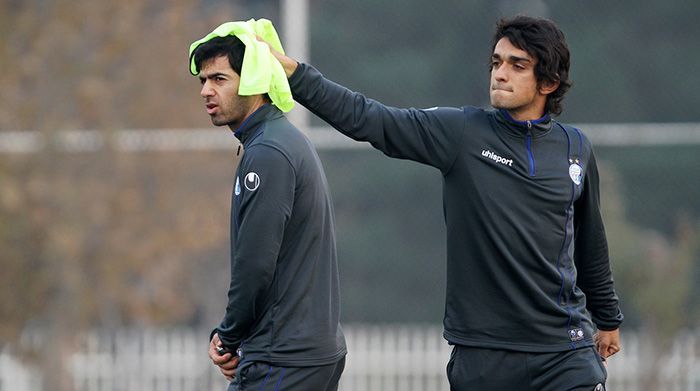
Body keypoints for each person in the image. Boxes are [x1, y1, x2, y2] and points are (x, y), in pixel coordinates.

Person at [269, 15, 623, 390]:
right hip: (484, 356)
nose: (500, 73)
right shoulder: (462, 133)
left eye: (517, 65)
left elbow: (590, 245)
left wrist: (608, 317)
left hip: (565, 354)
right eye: (497, 62)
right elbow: (371, 119)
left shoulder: (576, 148)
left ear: (549, 82)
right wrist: (296, 74)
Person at [190, 24, 346, 390]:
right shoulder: (277, 140)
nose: (206, 90)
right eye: (202, 80)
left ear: (255, 80)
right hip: (302, 353)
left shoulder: (268, 153)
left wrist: (228, 336)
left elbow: (255, 263)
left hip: (284, 358)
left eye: (219, 79)